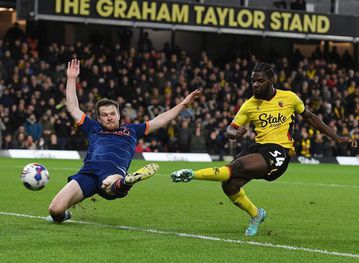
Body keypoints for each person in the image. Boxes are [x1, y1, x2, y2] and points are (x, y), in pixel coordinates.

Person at [171, 62, 357, 236]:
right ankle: (256, 214)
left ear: (271, 79)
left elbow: (310, 117)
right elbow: (229, 129)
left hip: (279, 151)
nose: (256, 84)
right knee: (229, 185)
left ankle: (191, 174)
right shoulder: (249, 104)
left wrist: (337, 137)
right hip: (259, 147)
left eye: (260, 80)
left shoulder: (289, 98)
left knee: (236, 167)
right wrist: (233, 134)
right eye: (253, 80)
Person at [47, 59, 200, 223]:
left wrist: (183, 104)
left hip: (112, 173)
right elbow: (72, 107)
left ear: (119, 115)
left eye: (112, 114)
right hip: (88, 173)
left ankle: (125, 183)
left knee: (109, 183)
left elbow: (160, 120)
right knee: (54, 210)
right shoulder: (93, 128)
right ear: (98, 118)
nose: (109, 118)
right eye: (104, 115)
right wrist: (71, 78)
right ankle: (66, 215)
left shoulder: (132, 130)